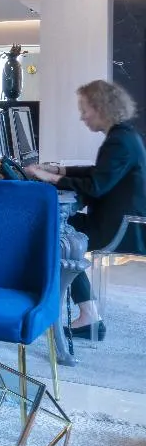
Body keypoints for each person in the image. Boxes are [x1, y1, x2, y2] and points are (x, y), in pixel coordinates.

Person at [26, 80, 146, 341]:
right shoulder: (124, 136)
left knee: (54, 235)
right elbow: (98, 172)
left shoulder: (119, 141)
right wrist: (59, 170)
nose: (82, 116)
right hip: (123, 222)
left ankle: (88, 314)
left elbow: (95, 186)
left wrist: (50, 178)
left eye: (84, 109)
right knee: (56, 230)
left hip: (122, 229)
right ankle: (87, 311)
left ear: (101, 107)